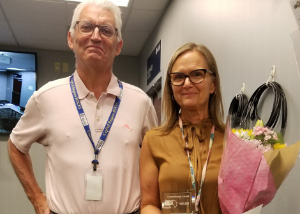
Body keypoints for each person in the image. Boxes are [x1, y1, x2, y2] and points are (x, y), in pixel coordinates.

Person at [7, 0, 157, 213]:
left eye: (106, 30)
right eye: (86, 27)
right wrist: (37, 197)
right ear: (71, 38)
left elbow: (157, 158)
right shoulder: (45, 98)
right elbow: (15, 145)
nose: (95, 36)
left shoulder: (141, 102)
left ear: (118, 46)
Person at [140, 43, 225, 214]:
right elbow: (148, 204)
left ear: (213, 84)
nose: (187, 83)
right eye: (178, 77)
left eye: (197, 74)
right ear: (171, 88)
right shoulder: (154, 140)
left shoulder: (232, 142)